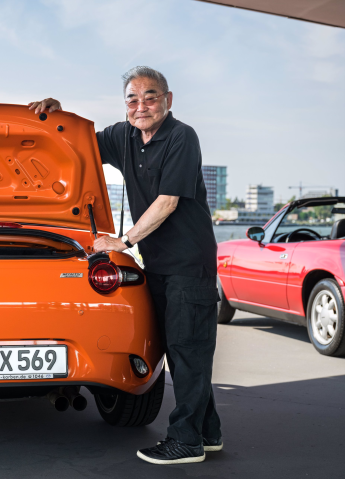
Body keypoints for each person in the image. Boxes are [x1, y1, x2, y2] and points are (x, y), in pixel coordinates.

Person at [29, 66, 222, 465]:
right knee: (181, 351)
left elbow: (168, 201)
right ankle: (208, 432)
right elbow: (76, 144)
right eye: (132, 99)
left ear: (168, 100)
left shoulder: (181, 137)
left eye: (150, 97)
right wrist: (57, 115)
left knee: (188, 352)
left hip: (189, 264)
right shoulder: (124, 136)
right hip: (159, 264)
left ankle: (185, 442)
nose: (141, 106)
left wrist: (125, 241)